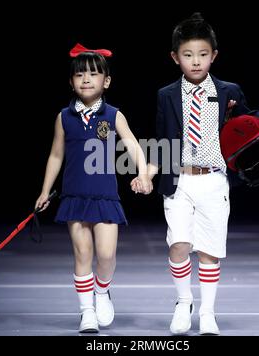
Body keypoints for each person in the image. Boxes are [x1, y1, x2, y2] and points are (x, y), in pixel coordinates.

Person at [131, 13, 259, 335]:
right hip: (179, 180)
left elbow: (249, 120)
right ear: (175, 57)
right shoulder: (166, 95)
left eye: (202, 54)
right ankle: (184, 301)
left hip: (215, 180)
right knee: (179, 245)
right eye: (187, 55)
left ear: (213, 55)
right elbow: (161, 142)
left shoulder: (229, 90)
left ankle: (208, 312)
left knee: (210, 250)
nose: (195, 61)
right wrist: (147, 173)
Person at [35, 43, 152, 333]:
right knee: (83, 253)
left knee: (107, 254)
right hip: (74, 196)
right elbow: (55, 155)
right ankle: (87, 310)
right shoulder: (63, 117)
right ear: (71, 82)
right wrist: (44, 190)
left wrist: (144, 173)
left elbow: (133, 146)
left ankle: (102, 292)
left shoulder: (113, 115)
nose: (86, 79)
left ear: (106, 81)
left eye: (93, 74)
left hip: (105, 196)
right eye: (79, 75)